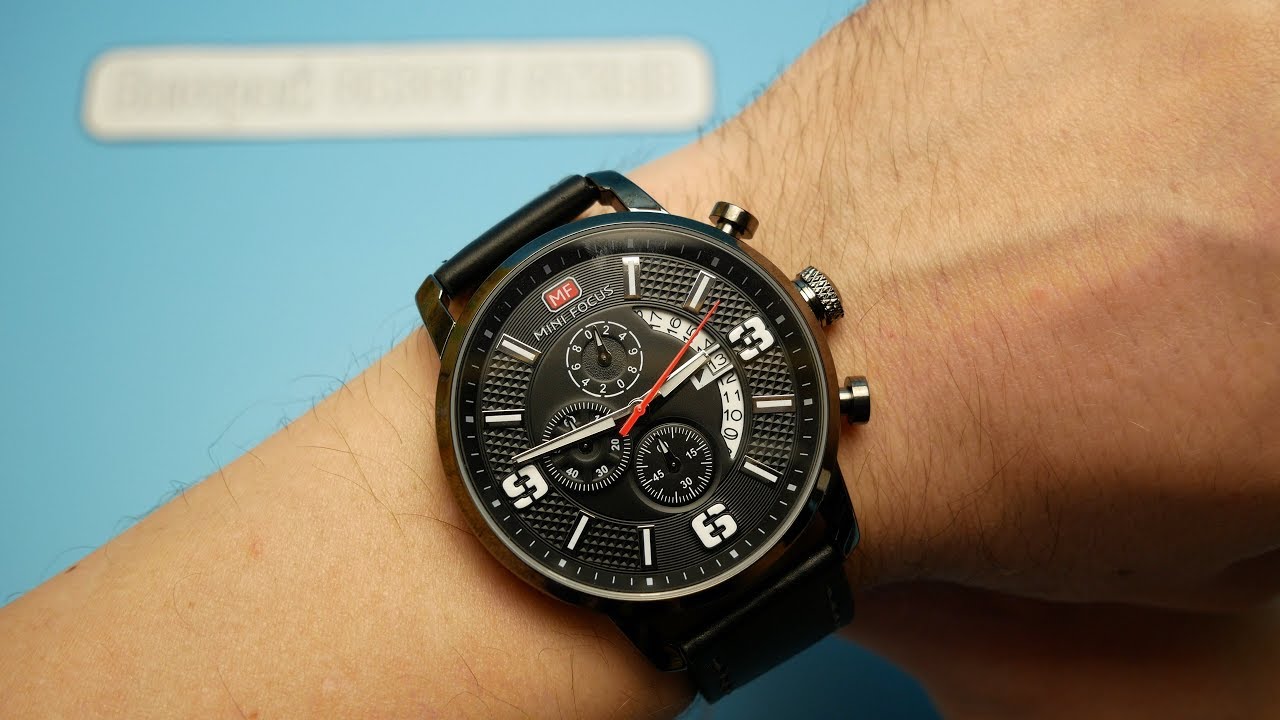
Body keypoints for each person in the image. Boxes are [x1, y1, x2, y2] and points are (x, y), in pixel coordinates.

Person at [3, 0, 1278, 716]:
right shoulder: (546, 311)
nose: (622, 422)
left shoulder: (730, 367)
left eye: (631, 410)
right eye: (621, 409)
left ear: (835, 387)